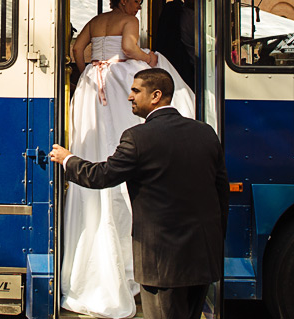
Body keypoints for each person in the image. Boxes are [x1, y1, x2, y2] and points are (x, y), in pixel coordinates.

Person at [51, 68, 228, 319]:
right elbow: (221, 192)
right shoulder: (205, 133)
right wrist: (215, 242)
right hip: (203, 256)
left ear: (156, 95)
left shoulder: (137, 137)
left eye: (135, 91)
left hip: (161, 262)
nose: (129, 97)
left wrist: (67, 159)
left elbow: (101, 176)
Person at [63, 0, 195, 318]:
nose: (138, 8)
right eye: (136, 2)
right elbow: (129, 48)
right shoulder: (127, 21)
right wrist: (148, 57)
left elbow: (77, 48)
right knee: (124, 141)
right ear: (124, 1)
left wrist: (86, 72)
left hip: (92, 85)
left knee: (92, 147)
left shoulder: (95, 20)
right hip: (117, 79)